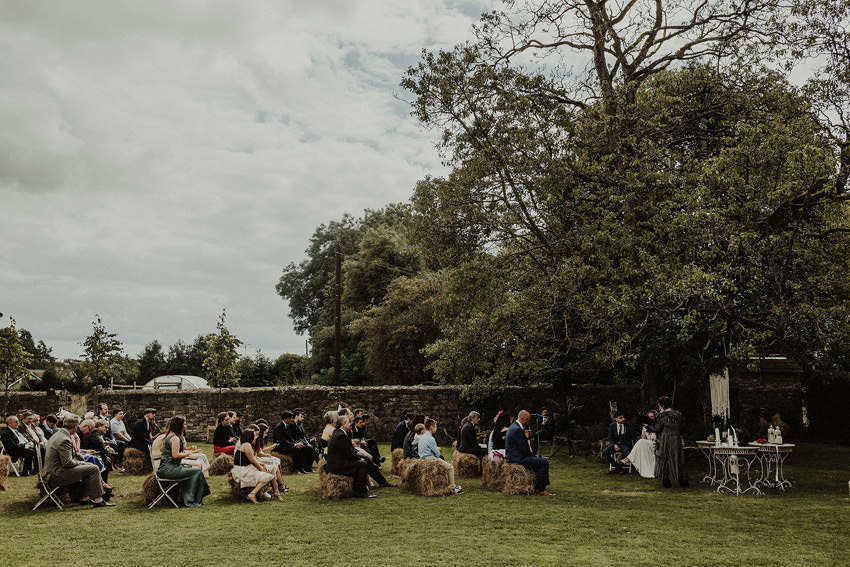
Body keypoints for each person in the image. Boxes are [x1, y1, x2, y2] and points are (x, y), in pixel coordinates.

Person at [42, 414, 114, 507]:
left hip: (52, 471)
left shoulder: (58, 435)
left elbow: (64, 454)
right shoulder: (64, 439)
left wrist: (78, 455)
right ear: (75, 426)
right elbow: (67, 463)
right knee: (94, 468)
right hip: (56, 475)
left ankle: (85, 498)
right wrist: (80, 462)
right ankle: (98, 500)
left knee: (89, 465)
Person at [157, 415, 211, 507]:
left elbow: (163, 449)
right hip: (169, 469)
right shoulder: (175, 438)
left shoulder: (168, 436)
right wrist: (189, 454)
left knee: (194, 470)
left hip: (166, 467)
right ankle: (191, 500)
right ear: (179, 425)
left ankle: (186, 498)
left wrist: (190, 451)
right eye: (184, 424)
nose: (186, 426)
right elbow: (175, 455)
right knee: (196, 471)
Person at [506, 410, 554, 496]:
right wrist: (534, 456)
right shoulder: (517, 429)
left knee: (538, 461)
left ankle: (538, 485)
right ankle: (541, 488)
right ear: (524, 419)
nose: (528, 422)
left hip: (514, 455)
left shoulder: (513, 426)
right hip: (517, 457)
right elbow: (524, 448)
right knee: (544, 463)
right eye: (528, 420)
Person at [325, 414, 373, 498]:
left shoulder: (338, 432)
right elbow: (348, 453)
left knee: (361, 462)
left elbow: (347, 451)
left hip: (337, 462)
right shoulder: (341, 435)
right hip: (337, 466)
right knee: (363, 464)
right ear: (343, 425)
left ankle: (359, 490)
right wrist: (359, 458)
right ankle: (360, 493)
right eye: (348, 422)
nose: (350, 424)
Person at [646, 396, 689, 488]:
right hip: (676, 439)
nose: (658, 407)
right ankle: (683, 481)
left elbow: (657, 428)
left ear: (662, 406)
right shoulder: (678, 415)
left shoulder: (662, 416)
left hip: (665, 440)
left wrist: (647, 426)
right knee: (677, 459)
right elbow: (683, 427)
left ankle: (666, 481)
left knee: (664, 459)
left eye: (659, 405)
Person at [231, 429, 279, 503]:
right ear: (250, 437)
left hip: (248, 468)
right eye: (255, 436)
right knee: (268, 476)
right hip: (243, 471)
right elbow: (253, 461)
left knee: (273, 467)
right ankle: (252, 494)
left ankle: (275, 492)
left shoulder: (248, 445)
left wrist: (264, 464)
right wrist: (261, 469)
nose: (256, 437)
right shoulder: (246, 445)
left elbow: (254, 460)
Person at [418, 418, 462, 493]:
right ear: (431, 427)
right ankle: (452, 487)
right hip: (431, 459)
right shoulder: (431, 438)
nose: (436, 428)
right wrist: (438, 449)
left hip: (422, 459)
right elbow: (438, 454)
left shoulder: (422, 437)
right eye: (435, 427)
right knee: (450, 467)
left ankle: (448, 485)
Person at [622, 410, 658, 478]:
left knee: (641, 441)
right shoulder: (645, 426)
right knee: (641, 441)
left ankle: (629, 458)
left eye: (652, 416)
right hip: (648, 444)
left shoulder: (657, 426)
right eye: (649, 416)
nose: (650, 418)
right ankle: (629, 458)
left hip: (656, 444)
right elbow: (643, 438)